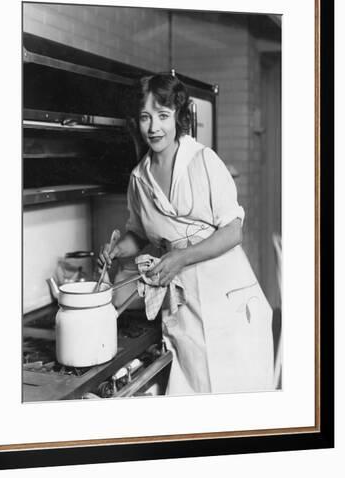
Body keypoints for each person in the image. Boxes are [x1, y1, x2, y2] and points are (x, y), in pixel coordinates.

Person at [99, 72, 275, 395]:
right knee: (196, 401)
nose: (154, 128)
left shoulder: (204, 162)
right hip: (185, 310)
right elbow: (138, 233)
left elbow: (233, 231)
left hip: (231, 307)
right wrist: (118, 249)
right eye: (145, 118)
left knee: (239, 410)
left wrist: (181, 257)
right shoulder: (139, 179)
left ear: (177, 117)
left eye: (163, 116)